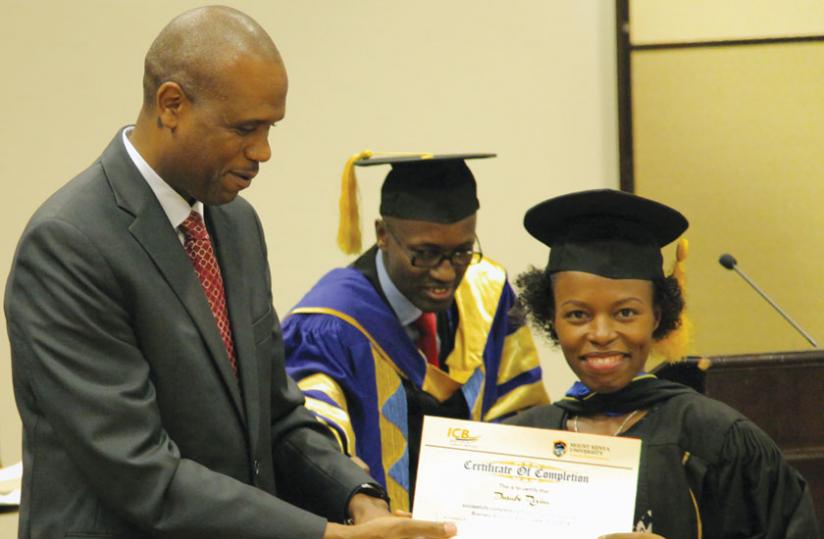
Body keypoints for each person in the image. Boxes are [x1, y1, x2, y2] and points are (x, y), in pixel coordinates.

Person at [5, 7, 457, 539]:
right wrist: (326, 535)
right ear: (171, 105)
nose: (263, 151)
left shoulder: (234, 224)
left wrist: (357, 497)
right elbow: (140, 471)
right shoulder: (70, 244)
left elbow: (277, 415)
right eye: (245, 128)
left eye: (270, 128)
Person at [506, 188, 819, 538]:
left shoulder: (719, 439)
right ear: (552, 319)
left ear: (657, 316)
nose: (601, 334)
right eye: (577, 315)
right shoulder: (517, 443)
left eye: (626, 313)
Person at [283, 152, 550, 511]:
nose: (445, 273)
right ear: (383, 235)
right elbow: (310, 439)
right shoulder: (329, 326)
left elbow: (518, 411)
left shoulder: (488, 293)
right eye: (425, 253)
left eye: (462, 252)